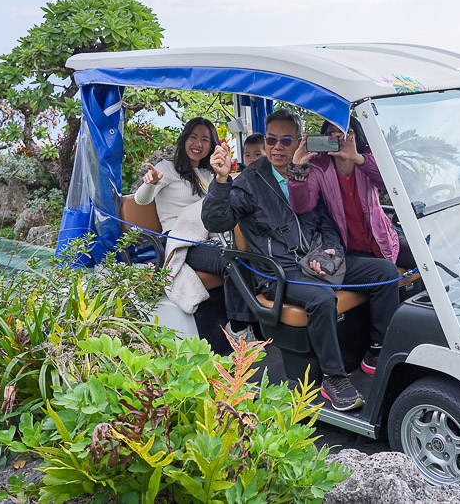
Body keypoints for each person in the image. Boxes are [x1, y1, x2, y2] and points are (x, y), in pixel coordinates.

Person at [202, 108, 400, 412]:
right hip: (280, 271)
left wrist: (329, 250)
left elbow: (326, 221)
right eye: (271, 140)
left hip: (317, 262)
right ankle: (334, 377)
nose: (277, 147)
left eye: (285, 140)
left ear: (299, 143)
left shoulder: (309, 173)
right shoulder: (250, 181)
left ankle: (378, 350)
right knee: (321, 298)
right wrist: (221, 179)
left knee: (385, 271)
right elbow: (217, 220)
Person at [134, 117, 253, 345]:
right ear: (184, 139)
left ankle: (254, 321)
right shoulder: (166, 169)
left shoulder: (210, 174)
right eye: (193, 137)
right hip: (182, 241)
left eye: (205, 139)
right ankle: (239, 330)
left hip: (210, 238)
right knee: (233, 261)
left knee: (249, 257)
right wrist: (150, 182)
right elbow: (141, 200)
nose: (198, 143)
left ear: (212, 146)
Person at [289, 117, 415, 275]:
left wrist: (358, 158)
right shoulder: (319, 166)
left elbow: (390, 184)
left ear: (356, 136)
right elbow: (302, 206)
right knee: (384, 272)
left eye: (342, 132)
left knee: (424, 256)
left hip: (383, 240)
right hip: (347, 247)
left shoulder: (368, 157)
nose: (336, 137)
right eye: (330, 134)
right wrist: (297, 169)